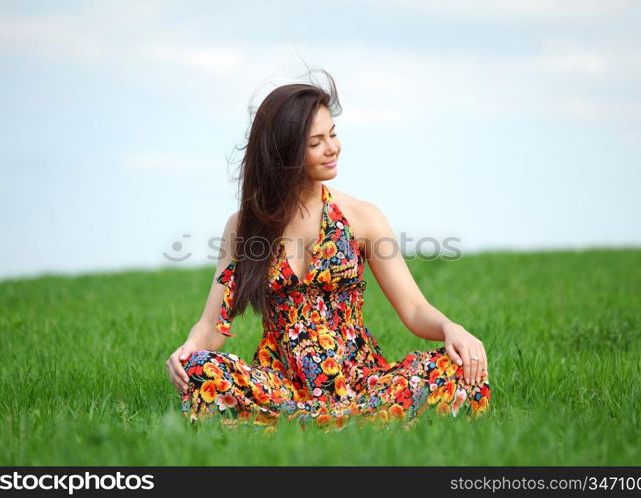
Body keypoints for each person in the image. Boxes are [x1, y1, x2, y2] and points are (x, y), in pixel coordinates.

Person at [165, 72, 490, 432]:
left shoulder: (362, 217)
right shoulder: (245, 226)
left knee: (458, 366)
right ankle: (346, 424)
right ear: (284, 151)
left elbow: (413, 309)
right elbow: (214, 325)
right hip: (280, 385)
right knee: (200, 369)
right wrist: (188, 349)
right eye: (316, 142)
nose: (332, 147)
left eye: (332, 134)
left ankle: (304, 424)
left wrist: (451, 328)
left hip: (361, 382)